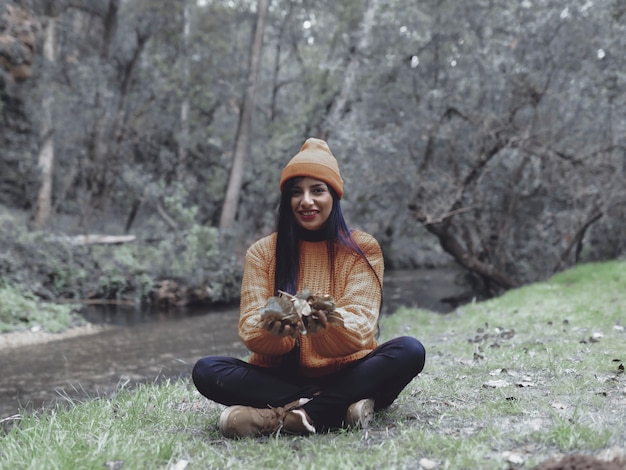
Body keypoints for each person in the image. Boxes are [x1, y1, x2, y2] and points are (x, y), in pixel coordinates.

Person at [192, 138, 426, 438]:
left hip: (351, 371)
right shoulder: (262, 253)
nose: (306, 201)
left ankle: (278, 418)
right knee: (207, 370)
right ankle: (335, 409)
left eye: (317, 190)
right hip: (280, 378)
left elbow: (363, 325)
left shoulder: (362, 249)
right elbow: (250, 327)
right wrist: (274, 329)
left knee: (409, 350)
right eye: (296, 192)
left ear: (334, 196)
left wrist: (326, 323)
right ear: (286, 200)